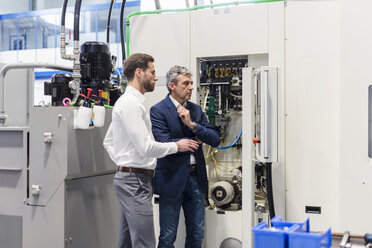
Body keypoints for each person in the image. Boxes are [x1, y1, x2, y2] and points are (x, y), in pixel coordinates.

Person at [103, 54, 199, 248]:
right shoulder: (130, 104)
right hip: (135, 182)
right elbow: (146, 147)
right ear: (139, 73)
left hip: (132, 178)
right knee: (145, 243)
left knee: (128, 242)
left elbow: (108, 142)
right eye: (152, 72)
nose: (156, 77)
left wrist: (124, 163)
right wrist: (177, 146)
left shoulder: (130, 102)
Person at [150, 65, 220, 248]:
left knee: (197, 236)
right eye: (186, 83)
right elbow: (163, 140)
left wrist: (193, 125)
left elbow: (215, 139)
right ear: (172, 86)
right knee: (167, 237)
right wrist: (189, 140)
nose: (191, 87)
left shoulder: (196, 111)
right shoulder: (158, 110)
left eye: (191, 83)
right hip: (171, 179)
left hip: (196, 178)